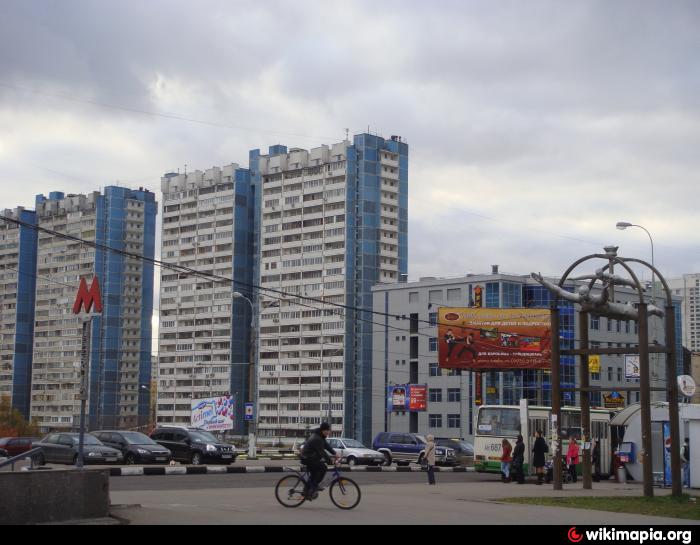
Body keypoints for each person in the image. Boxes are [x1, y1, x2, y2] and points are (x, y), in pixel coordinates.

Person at [299, 422, 339, 499]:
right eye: (327, 430)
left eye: (329, 430)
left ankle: (307, 491)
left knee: (314, 474)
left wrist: (335, 453)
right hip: (307, 458)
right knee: (323, 468)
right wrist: (330, 462)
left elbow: (326, 446)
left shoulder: (320, 436)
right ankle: (313, 488)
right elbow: (322, 452)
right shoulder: (317, 438)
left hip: (310, 458)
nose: (329, 432)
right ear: (323, 430)